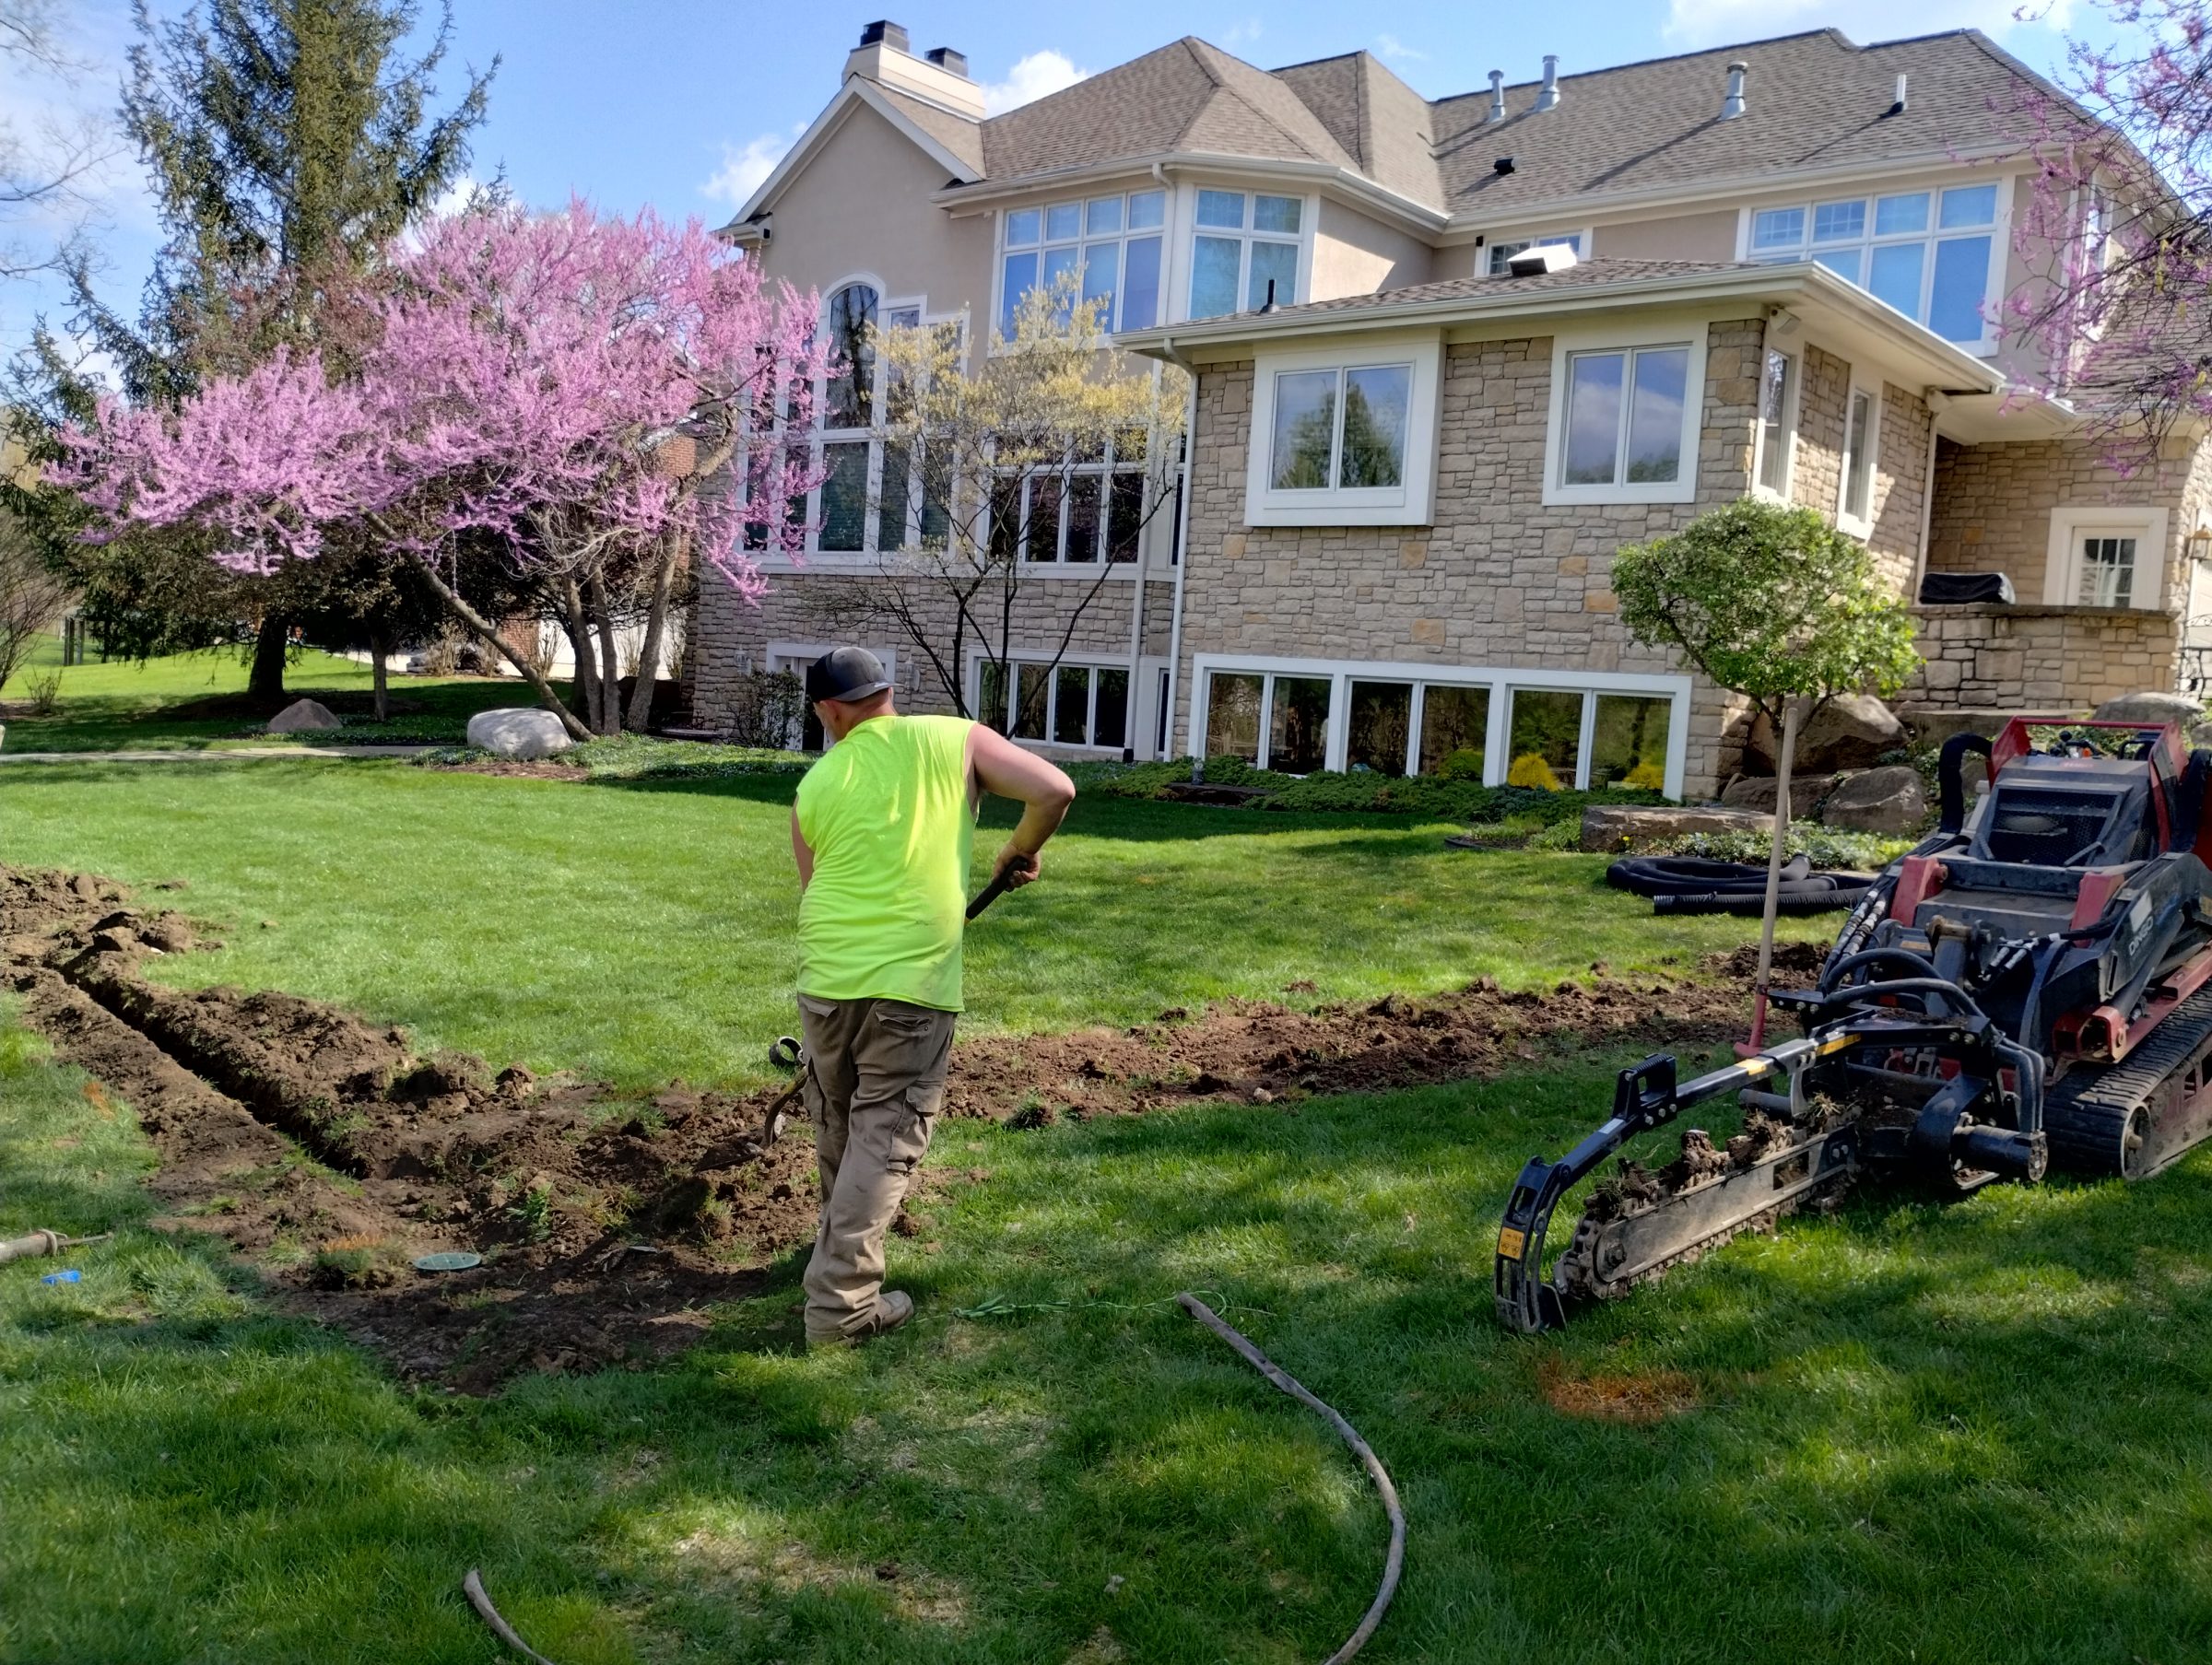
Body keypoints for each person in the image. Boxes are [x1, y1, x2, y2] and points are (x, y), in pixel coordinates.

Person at [788, 646, 1076, 1348]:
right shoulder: (954, 738)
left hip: (826, 980)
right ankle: (841, 1308)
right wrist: (1018, 848)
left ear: (829, 711)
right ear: (885, 693)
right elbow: (1054, 789)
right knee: (883, 1136)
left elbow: (812, 886)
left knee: (839, 1125)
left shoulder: (815, 785)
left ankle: (835, 1263)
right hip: (911, 984)